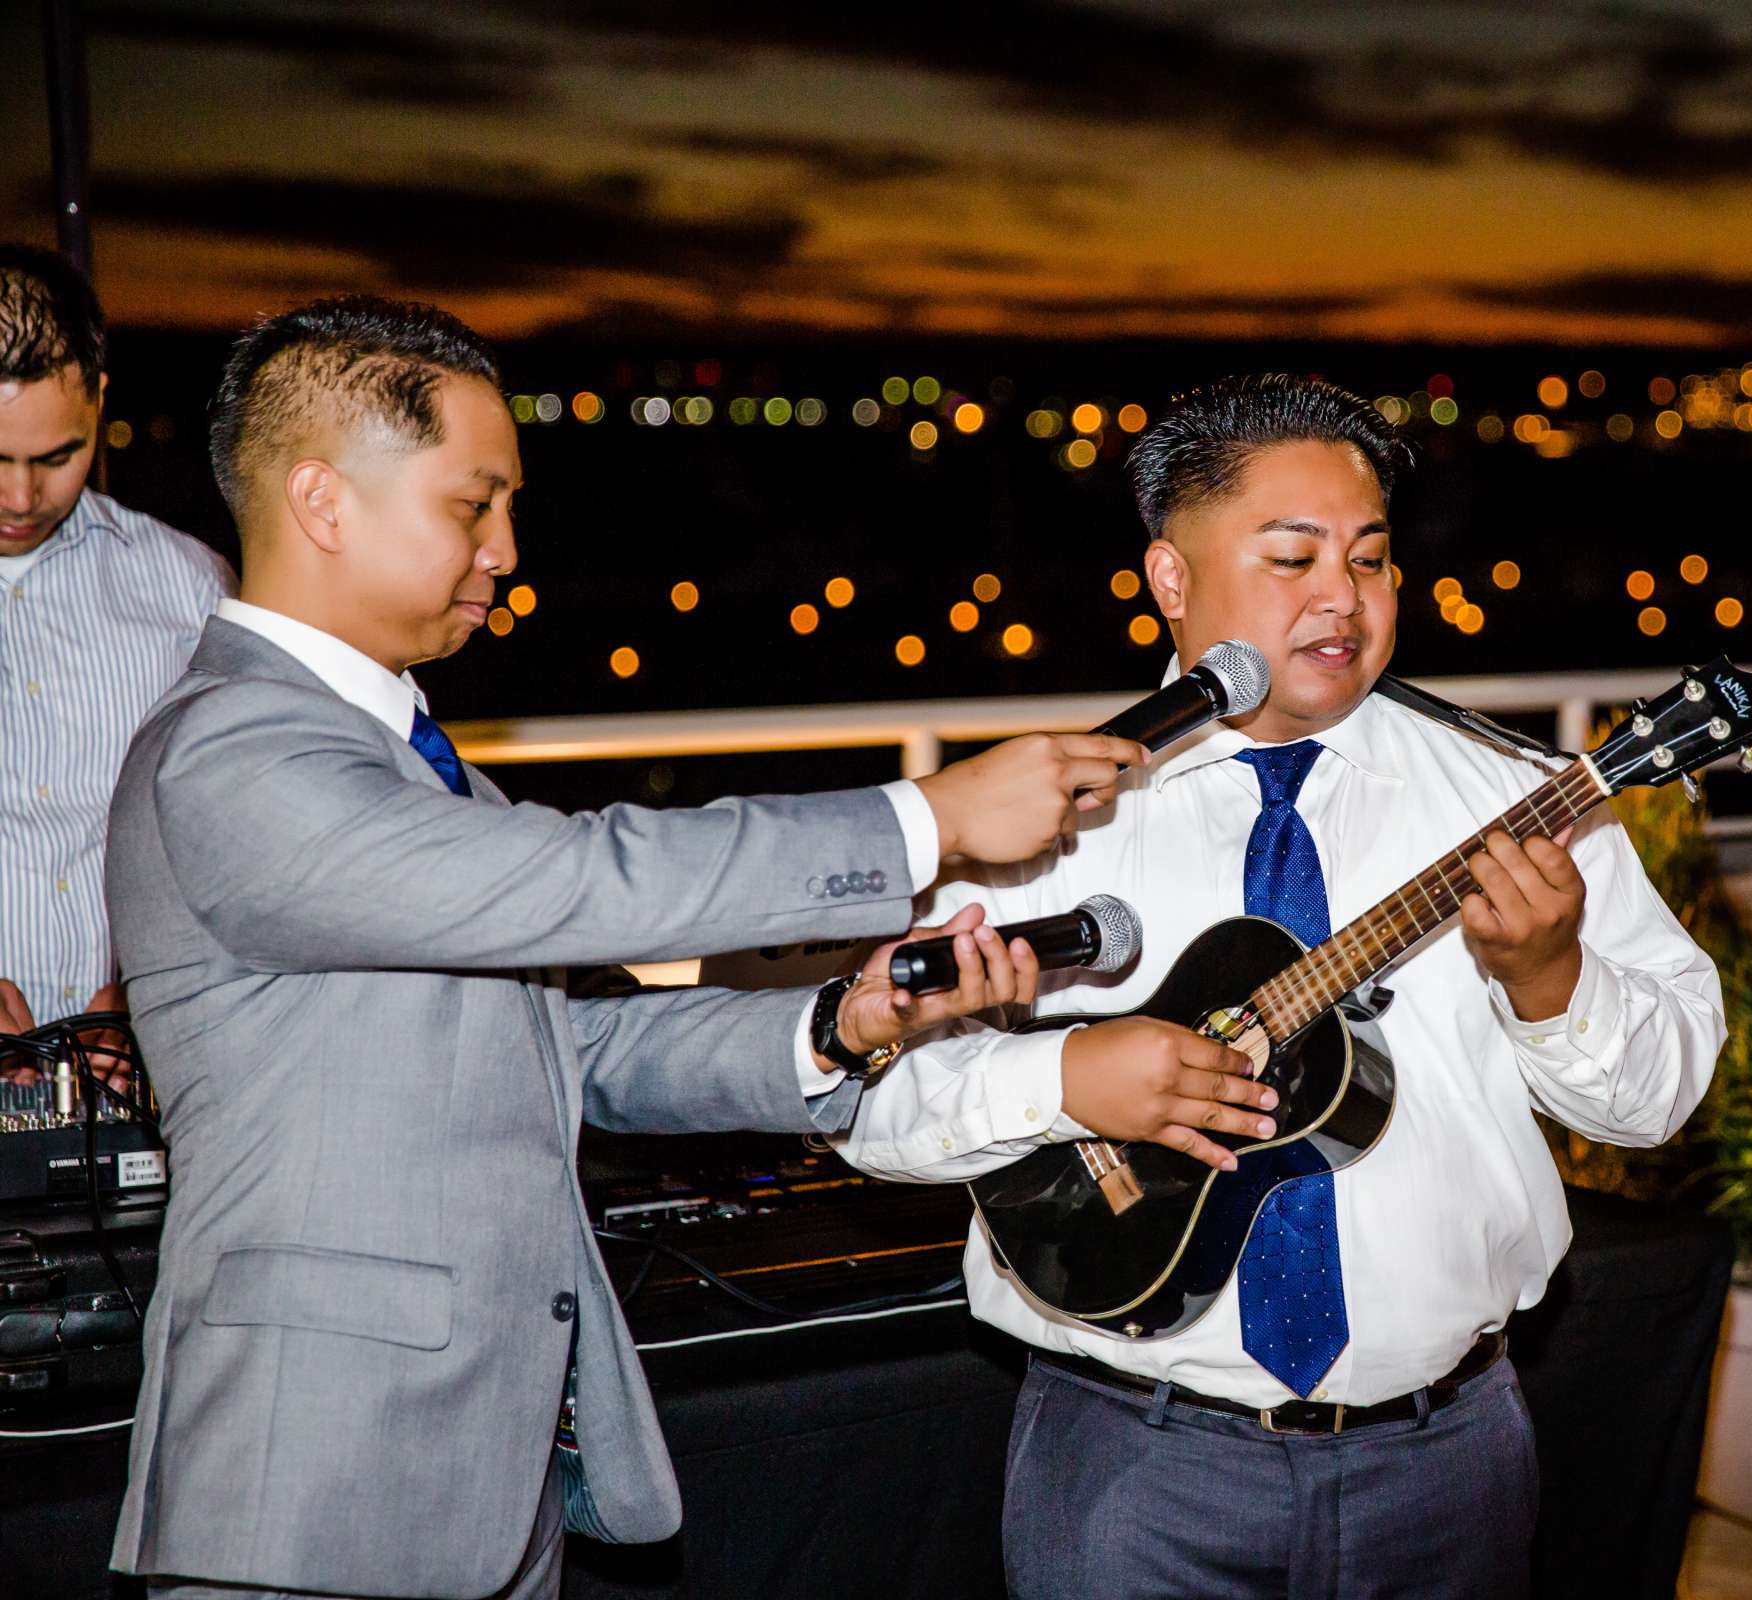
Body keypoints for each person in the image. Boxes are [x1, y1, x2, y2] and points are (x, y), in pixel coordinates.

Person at [104, 295, 1261, 1600]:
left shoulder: (413, 776)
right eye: (471, 505)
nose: (507, 549)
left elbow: (578, 1047)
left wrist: (843, 1023)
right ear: (324, 503)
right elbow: (576, 878)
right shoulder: (232, 753)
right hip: (310, 1489)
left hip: (482, 1477)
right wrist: (924, 816)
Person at [836, 375, 1727, 1598]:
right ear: (1170, 579)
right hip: (1130, 1465)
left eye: (1370, 559)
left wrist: (1550, 977)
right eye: (1291, 557)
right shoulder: (1038, 815)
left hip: (1451, 1456)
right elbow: (869, 1105)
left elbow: (1661, 1099)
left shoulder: (1516, 801)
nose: (1341, 599)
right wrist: (1065, 1078)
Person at [0, 244, 229, 1078]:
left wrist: (156, 979)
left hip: (143, 1090)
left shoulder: (192, 588)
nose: (22, 498)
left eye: (57, 456)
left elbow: (235, 829)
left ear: (101, 402)